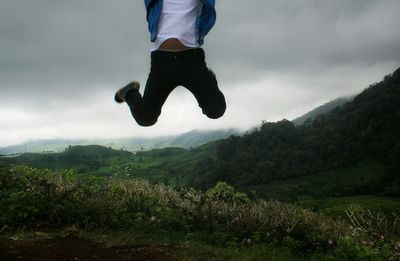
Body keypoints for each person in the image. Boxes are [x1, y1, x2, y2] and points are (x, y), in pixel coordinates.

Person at [114, 0, 226, 127]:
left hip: (192, 60)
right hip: (162, 61)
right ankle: (130, 92)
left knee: (217, 110)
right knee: (145, 118)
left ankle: (209, 79)